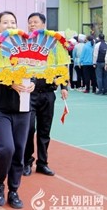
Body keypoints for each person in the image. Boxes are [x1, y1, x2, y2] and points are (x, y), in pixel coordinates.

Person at [0, 11, 35, 209]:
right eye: (4, 22)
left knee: (19, 152)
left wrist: (32, 83)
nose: (9, 25)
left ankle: (13, 190)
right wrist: (9, 83)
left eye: (13, 22)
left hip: (23, 108)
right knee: (6, 148)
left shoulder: (27, 48)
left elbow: (36, 72)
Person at [23, 12, 68, 177]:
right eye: (29, 22)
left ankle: (42, 163)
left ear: (43, 24)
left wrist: (64, 86)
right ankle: (27, 161)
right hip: (30, 93)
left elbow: (61, 66)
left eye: (35, 22)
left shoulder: (54, 44)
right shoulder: (26, 43)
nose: (32, 25)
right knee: (29, 129)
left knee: (44, 130)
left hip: (48, 93)